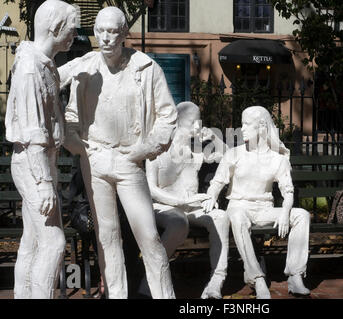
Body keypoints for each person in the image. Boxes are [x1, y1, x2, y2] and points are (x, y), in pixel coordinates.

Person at [58, 7, 177, 299]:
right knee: (106, 237)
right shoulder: (84, 67)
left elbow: (168, 116)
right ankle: (116, 295)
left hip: (129, 159)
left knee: (148, 237)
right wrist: (77, 145)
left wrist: (144, 150)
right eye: (101, 31)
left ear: (124, 33)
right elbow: (70, 112)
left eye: (113, 31)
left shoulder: (146, 67)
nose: (106, 38)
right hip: (95, 158)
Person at [5, 0, 77, 299]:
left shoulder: (44, 65)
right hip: (34, 166)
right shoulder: (31, 69)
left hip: (41, 162)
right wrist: (45, 182)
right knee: (54, 242)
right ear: (55, 27)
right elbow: (33, 130)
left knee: (33, 241)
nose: (75, 34)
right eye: (71, 28)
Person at [203, 106, 311, 299]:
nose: (241, 128)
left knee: (301, 215)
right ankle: (257, 278)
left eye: (246, 124)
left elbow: (288, 191)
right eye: (241, 124)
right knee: (236, 216)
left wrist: (286, 212)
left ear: (261, 127)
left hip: (265, 209)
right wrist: (211, 195)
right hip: (239, 207)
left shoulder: (278, 160)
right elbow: (217, 182)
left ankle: (295, 276)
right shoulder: (234, 154)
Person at [146, 101, 230, 299]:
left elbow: (228, 154)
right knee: (178, 223)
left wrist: (216, 139)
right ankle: (151, 280)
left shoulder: (195, 154)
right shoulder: (156, 153)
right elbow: (151, 190)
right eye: (195, 122)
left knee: (221, 217)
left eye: (199, 122)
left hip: (192, 207)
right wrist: (179, 202)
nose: (199, 127)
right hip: (165, 208)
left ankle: (215, 281)